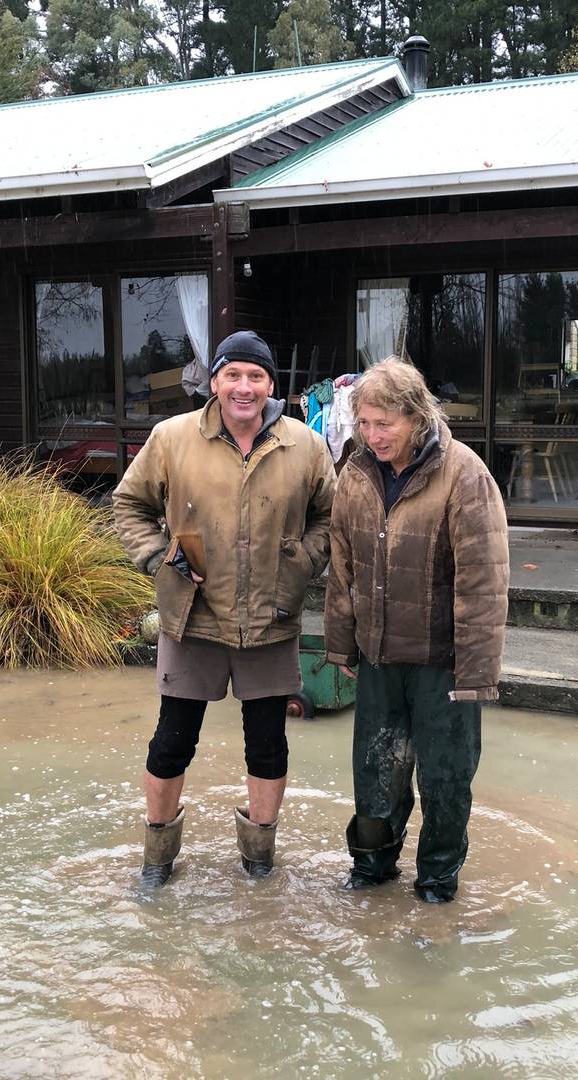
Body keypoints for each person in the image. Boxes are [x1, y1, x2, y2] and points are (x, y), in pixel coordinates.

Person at [113, 330, 336, 887]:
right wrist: (157, 556)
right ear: (213, 381)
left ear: (270, 385)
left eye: (255, 376)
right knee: (171, 741)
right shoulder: (171, 438)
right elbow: (129, 505)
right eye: (232, 375)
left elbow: (331, 518)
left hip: (272, 616)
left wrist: (301, 561)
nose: (243, 387)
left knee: (267, 743)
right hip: (193, 616)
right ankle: (157, 859)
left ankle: (259, 860)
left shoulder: (304, 445)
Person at [324, 357, 509, 903]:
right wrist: (341, 644)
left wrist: (476, 673)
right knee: (375, 774)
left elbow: (485, 582)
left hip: (442, 662)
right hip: (380, 657)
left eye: (386, 424)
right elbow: (342, 568)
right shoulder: (354, 473)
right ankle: (373, 869)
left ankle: (436, 882)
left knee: (445, 781)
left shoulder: (464, 473)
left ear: (417, 416)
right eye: (364, 424)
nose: (373, 435)